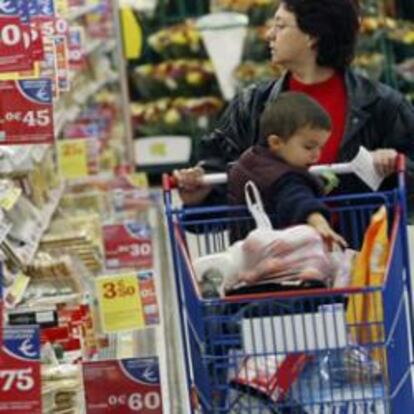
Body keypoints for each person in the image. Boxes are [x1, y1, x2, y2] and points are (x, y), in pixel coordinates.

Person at [175, 0, 414, 212]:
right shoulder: (250, 105)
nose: (269, 34)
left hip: (360, 256)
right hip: (277, 257)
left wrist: (396, 163)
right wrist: (199, 193)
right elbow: (224, 178)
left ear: (312, 35)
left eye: (280, 26)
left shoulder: (383, 106)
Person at [228, 91, 347, 248]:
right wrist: (320, 224)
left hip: (247, 253)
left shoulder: (249, 161)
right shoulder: (283, 177)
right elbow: (297, 198)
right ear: (276, 142)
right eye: (309, 147)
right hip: (280, 256)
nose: (316, 156)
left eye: (321, 148)